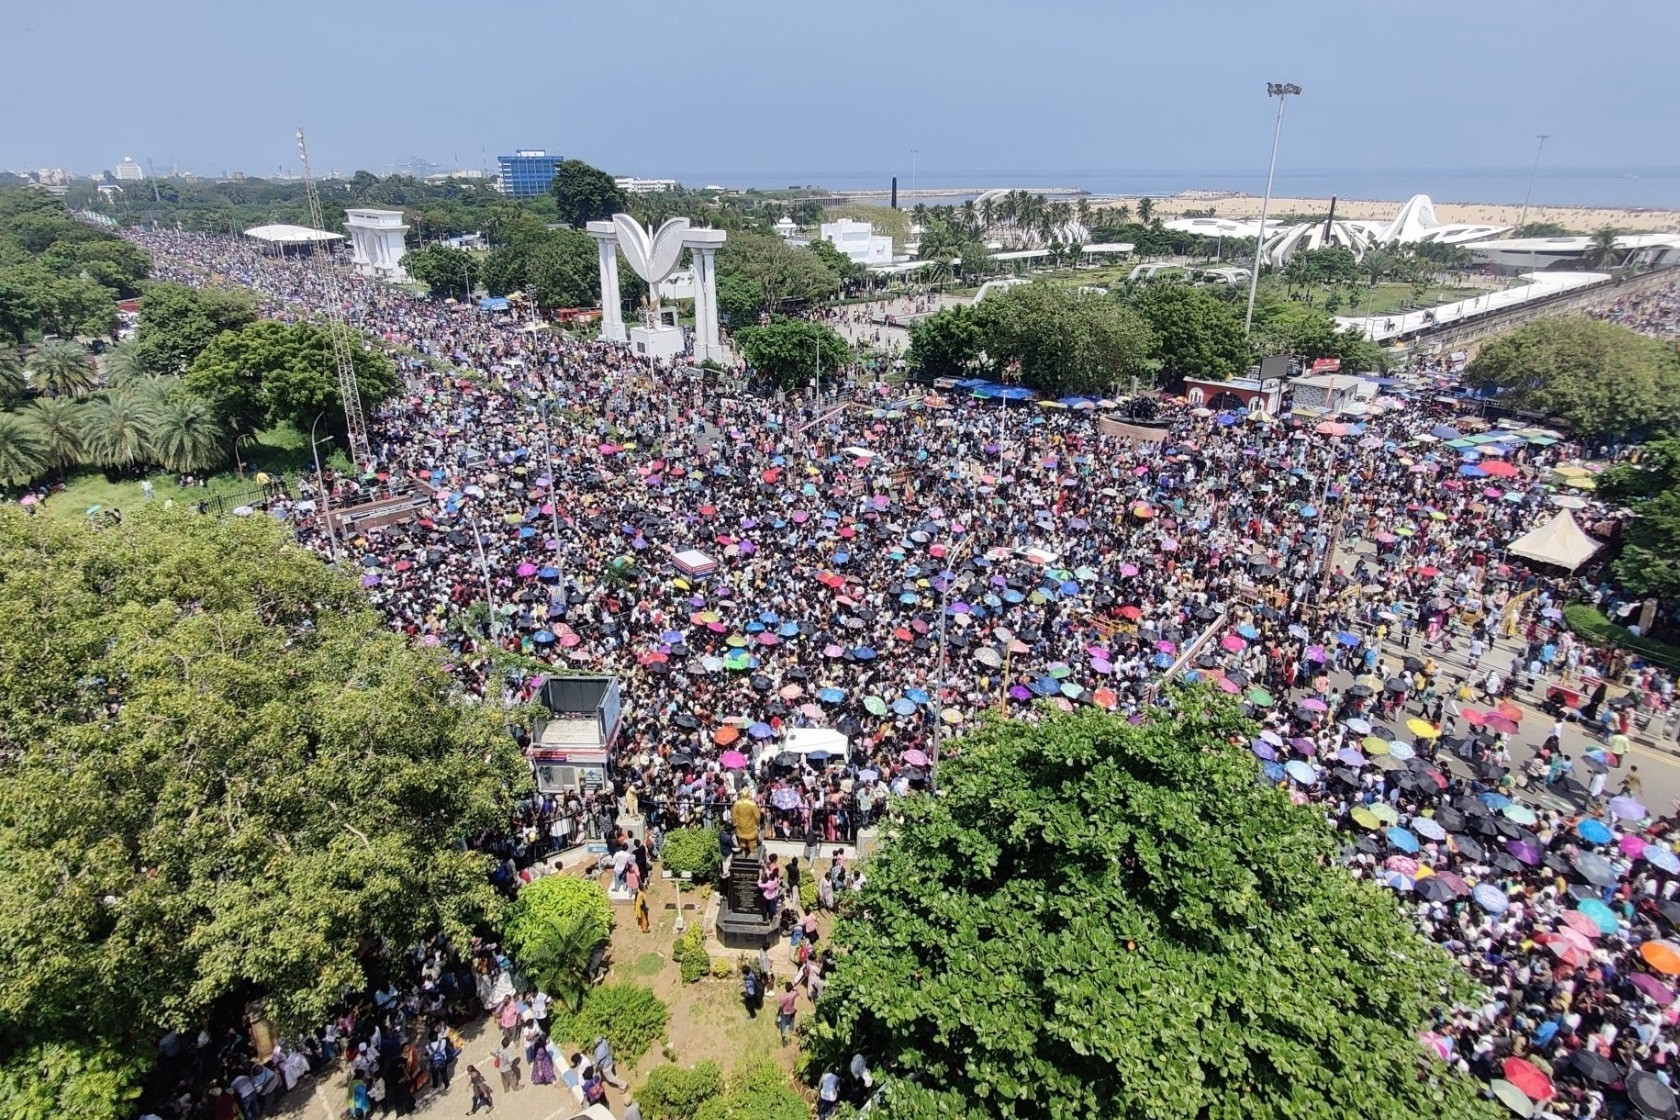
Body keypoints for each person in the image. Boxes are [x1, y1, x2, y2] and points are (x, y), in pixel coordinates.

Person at [776, 981, 798, 1046]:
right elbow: (798, 992)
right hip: (792, 1011)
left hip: (785, 1013)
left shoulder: (782, 997)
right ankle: (791, 1029)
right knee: (792, 1020)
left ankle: (784, 1040)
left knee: (783, 1025)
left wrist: (778, 1013)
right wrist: (793, 989)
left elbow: (781, 1007)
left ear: (785, 988)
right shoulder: (794, 994)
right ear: (791, 988)